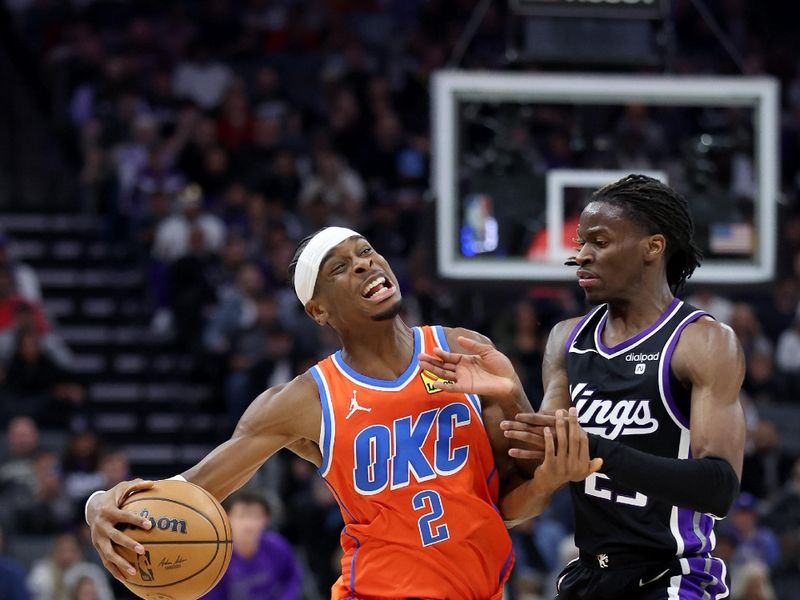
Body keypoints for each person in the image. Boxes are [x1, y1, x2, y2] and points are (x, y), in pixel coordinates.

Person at [85, 227, 601, 599]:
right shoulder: (305, 400)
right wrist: (101, 502)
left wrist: (511, 393)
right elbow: (192, 489)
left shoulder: (464, 350)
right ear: (318, 310)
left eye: (367, 250)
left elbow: (511, 506)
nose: (363, 263)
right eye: (340, 266)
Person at [420, 175, 745, 599]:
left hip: (672, 577)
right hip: (589, 573)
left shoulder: (700, 341)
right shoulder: (566, 339)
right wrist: (506, 393)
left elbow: (718, 488)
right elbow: (546, 458)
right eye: (580, 244)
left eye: (599, 242)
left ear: (653, 246)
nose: (581, 256)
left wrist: (597, 450)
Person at [204, 489, 301, 600]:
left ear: (266, 519)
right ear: (227, 518)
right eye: (242, 516)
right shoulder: (215, 558)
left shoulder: (278, 547)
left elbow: (292, 578)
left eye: (255, 516)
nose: (249, 524)